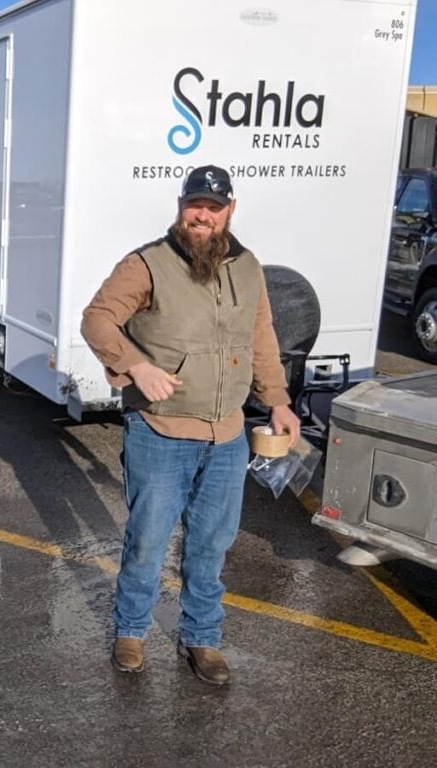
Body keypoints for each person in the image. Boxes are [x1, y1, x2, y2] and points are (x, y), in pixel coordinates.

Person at [81, 165, 300, 685]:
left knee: (211, 546)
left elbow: (261, 338)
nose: (202, 214)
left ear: (230, 209)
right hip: (160, 431)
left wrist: (278, 401)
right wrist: (136, 365)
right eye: (194, 204)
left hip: (226, 435)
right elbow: (97, 319)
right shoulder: (147, 264)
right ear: (181, 205)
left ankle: (203, 639)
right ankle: (131, 631)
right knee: (147, 542)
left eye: (214, 206)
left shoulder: (248, 268)